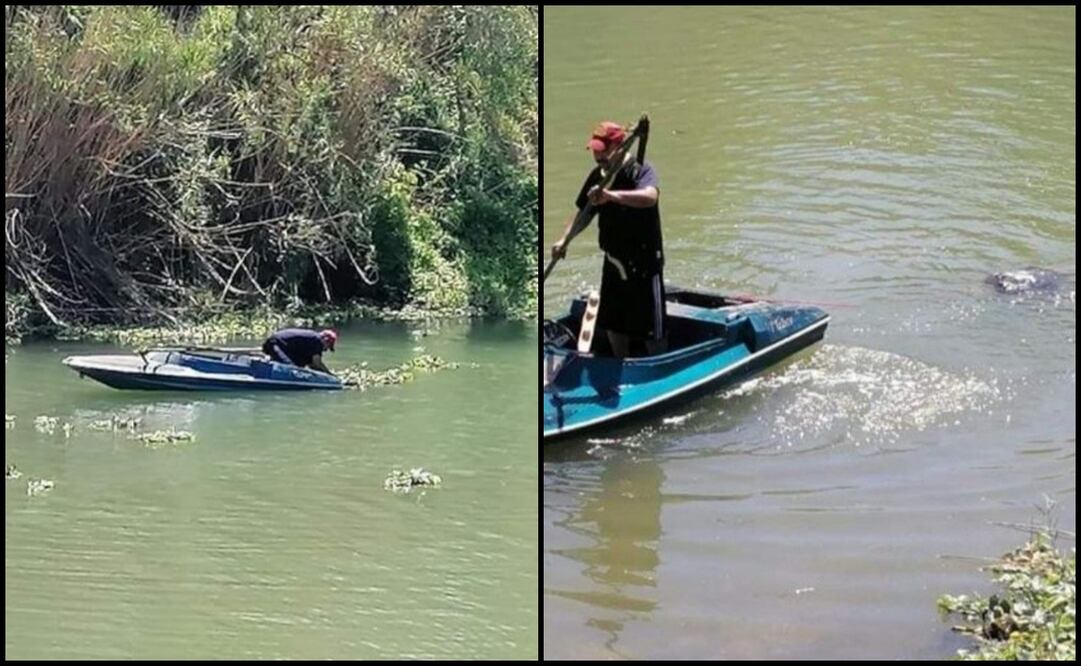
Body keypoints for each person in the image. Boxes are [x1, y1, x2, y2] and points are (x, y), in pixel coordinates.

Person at [551, 121, 667, 359]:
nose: (598, 156)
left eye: (603, 150)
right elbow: (583, 213)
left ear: (620, 146)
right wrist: (565, 240)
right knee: (613, 322)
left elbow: (650, 197)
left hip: (644, 261)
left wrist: (611, 196)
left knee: (651, 329)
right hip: (614, 259)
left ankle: (658, 365)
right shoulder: (597, 176)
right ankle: (618, 364)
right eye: (595, 150)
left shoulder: (640, 170)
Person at [262, 328, 337, 375]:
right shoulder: (318, 341)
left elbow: (312, 365)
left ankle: (263, 357)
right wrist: (330, 375)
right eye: (327, 347)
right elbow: (317, 364)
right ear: (325, 341)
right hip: (276, 343)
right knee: (291, 369)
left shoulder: (312, 341)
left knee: (301, 364)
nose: (325, 350)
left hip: (278, 343)